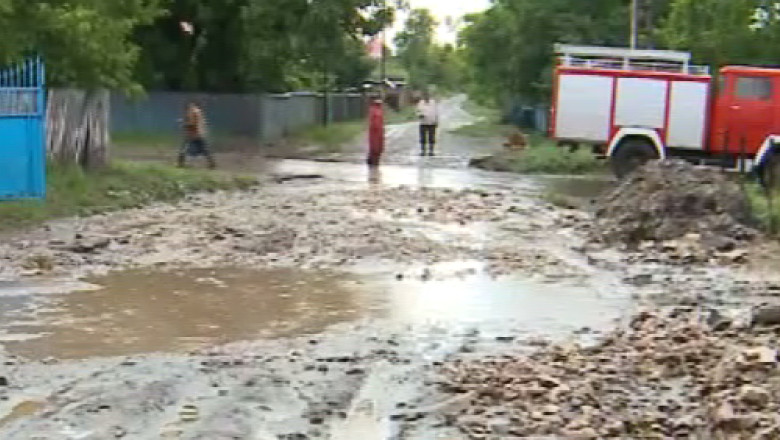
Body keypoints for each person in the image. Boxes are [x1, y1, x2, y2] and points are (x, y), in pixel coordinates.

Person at [178, 101, 216, 169]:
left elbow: (192, 124)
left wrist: (184, 124)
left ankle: (181, 163)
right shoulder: (198, 112)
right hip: (200, 134)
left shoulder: (193, 112)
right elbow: (202, 123)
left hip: (193, 134)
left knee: (184, 148)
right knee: (205, 149)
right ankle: (212, 164)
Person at [415, 92, 439, 156]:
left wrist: (436, 121)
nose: (426, 98)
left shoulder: (433, 103)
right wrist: (420, 115)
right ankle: (423, 151)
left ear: (429, 96)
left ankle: (431, 151)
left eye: (427, 96)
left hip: (432, 122)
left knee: (432, 137)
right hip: (423, 123)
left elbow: (436, 112)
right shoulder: (420, 103)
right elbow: (417, 111)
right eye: (425, 96)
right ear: (423, 97)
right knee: (423, 138)